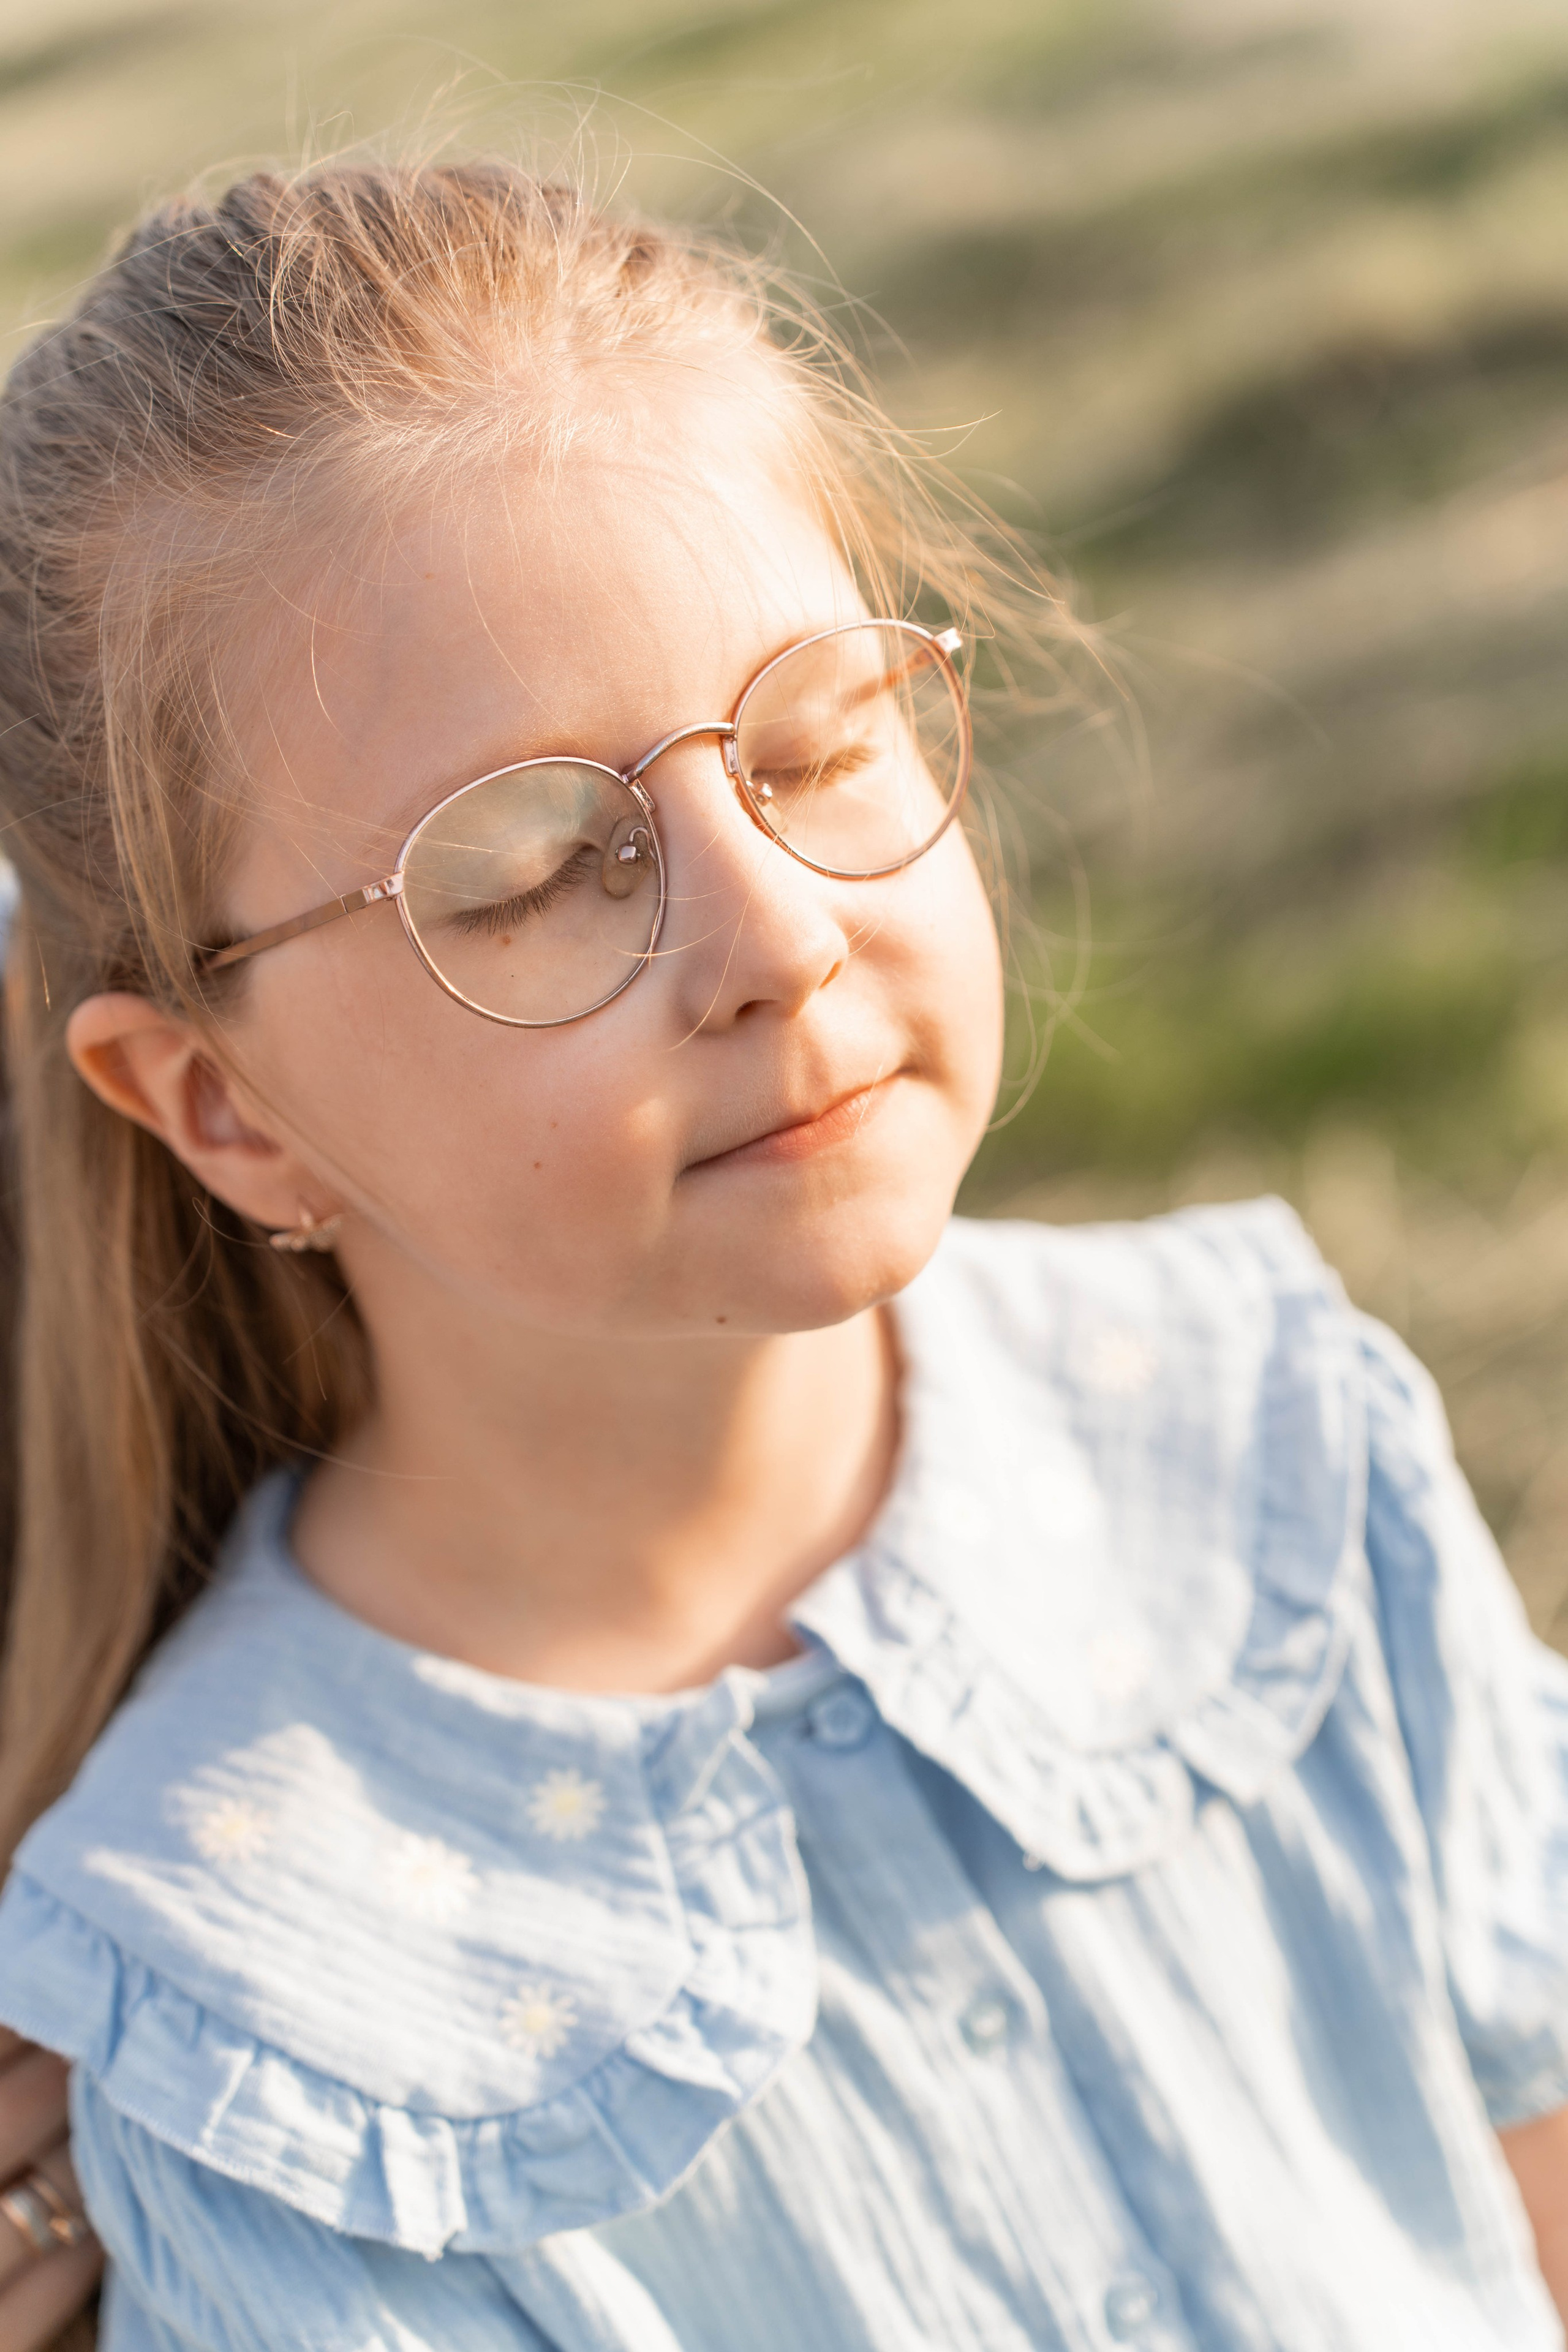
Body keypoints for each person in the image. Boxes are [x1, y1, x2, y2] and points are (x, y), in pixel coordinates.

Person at [0, 155, 1561, 2352]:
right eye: (539, 871)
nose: (779, 933)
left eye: (822, 739)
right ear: (225, 1105)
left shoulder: (1267, 1433)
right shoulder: (243, 1993)